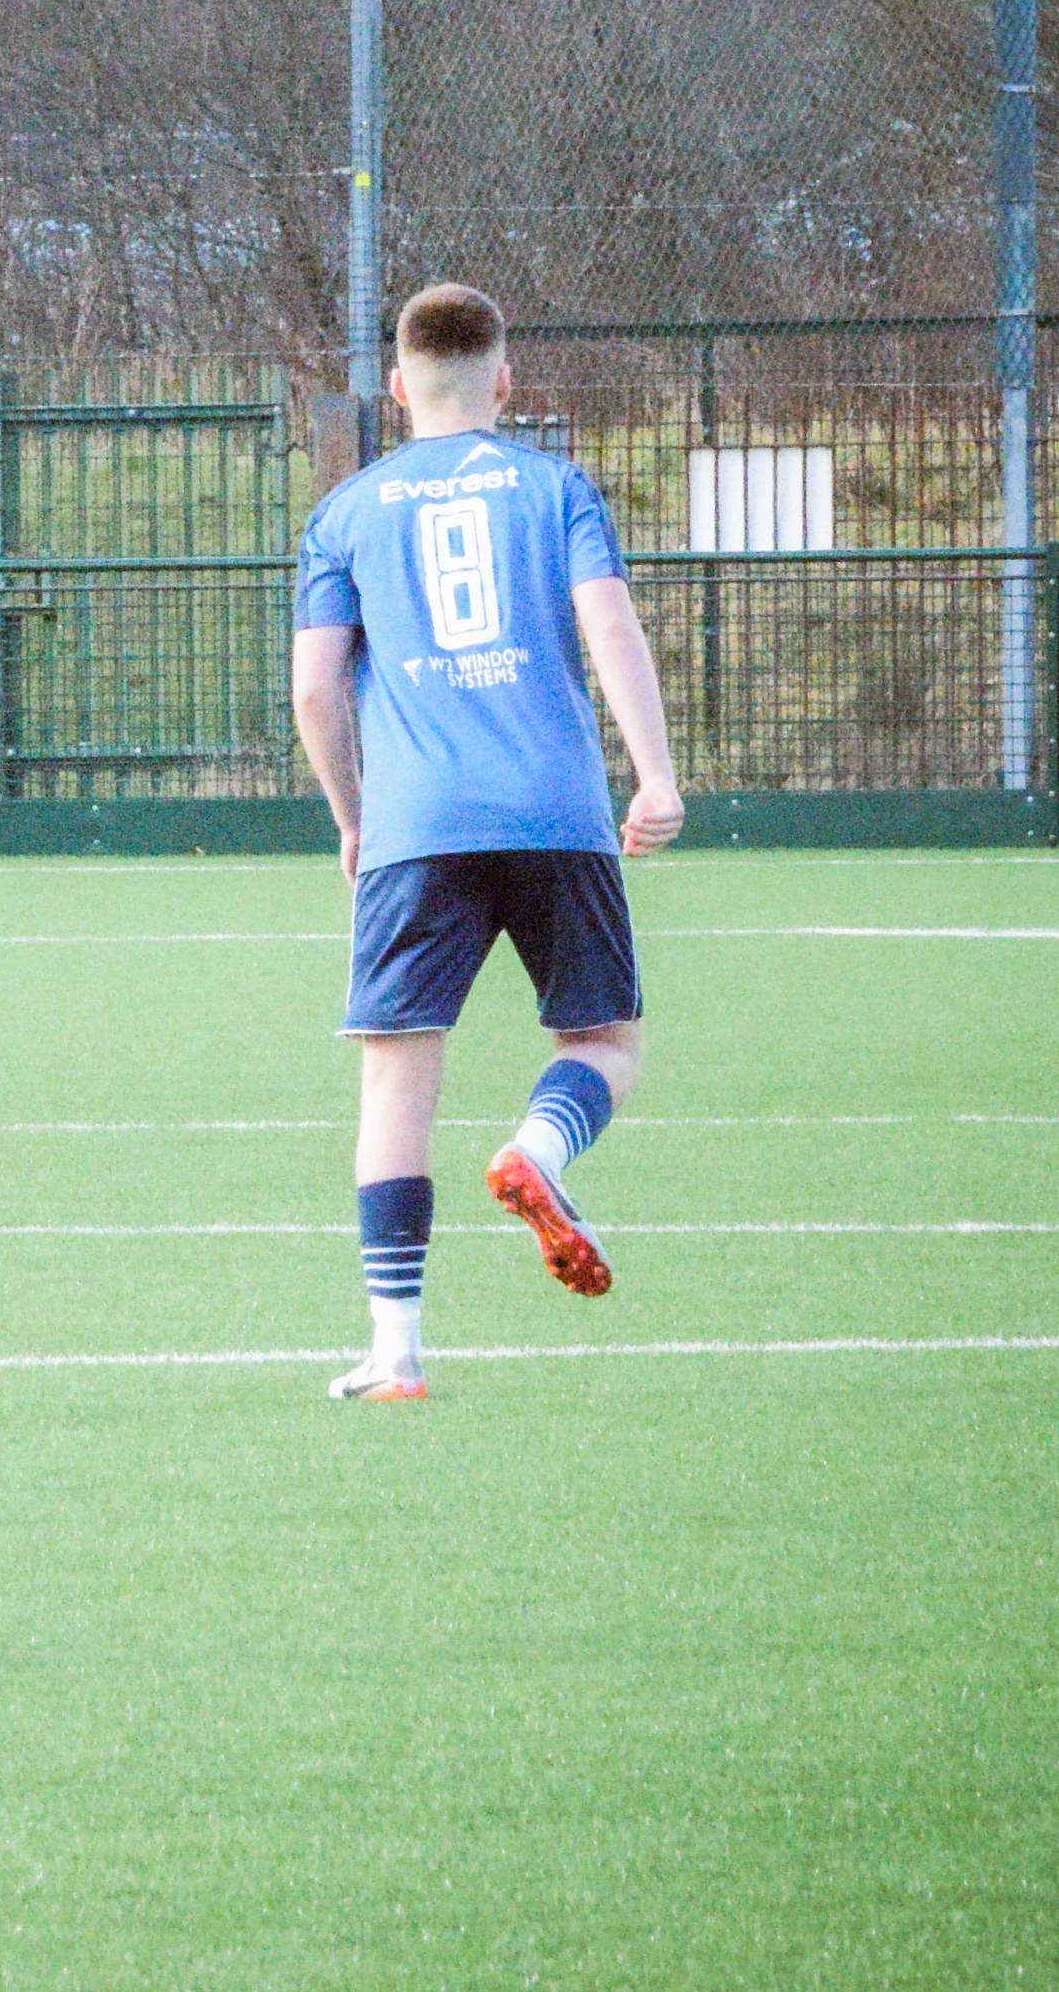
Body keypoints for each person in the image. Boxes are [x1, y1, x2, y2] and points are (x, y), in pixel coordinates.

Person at [291, 282, 684, 1403]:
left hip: (416, 827)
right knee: (602, 1039)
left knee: (394, 1085)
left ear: (396, 388)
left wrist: (352, 816)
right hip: (555, 811)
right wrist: (653, 775)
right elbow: (608, 623)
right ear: (504, 381)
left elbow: (315, 690)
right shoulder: (554, 487)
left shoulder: (347, 511)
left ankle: (396, 1352)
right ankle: (540, 1152)